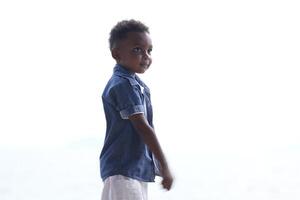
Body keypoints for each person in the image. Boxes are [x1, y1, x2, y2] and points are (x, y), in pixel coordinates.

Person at [100, 19, 174, 200]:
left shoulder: (136, 84)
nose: (146, 56)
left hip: (133, 169)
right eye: (137, 50)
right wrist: (165, 167)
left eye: (149, 50)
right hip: (123, 170)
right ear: (116, 53)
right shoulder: (123, 85)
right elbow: (143, 127)